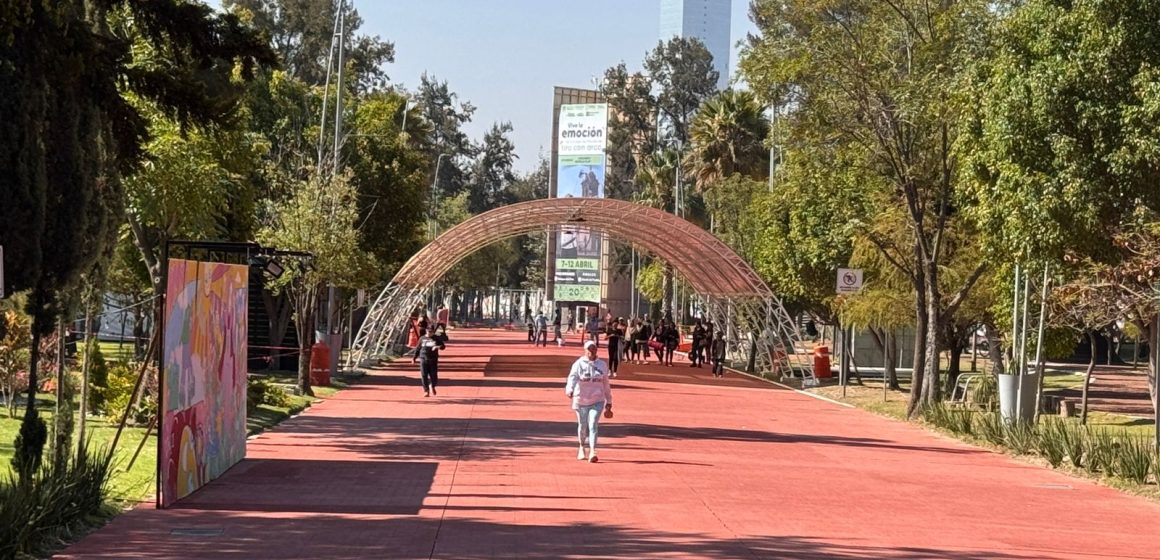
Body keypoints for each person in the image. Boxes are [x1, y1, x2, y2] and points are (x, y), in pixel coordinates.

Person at [565, 340, 613, 462]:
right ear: (585, 350)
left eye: (594, 349)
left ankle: (593, 451)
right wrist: (569, 389)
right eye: (589, 349)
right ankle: (581, 446)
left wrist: (609, 401)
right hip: (581, 399)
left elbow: (606, 384)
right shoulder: (578, 364)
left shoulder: (602, 365)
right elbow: (572, 378)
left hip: (597, 400)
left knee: (593, 424)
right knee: (583, 425)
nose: (592, 351)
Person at [412, 327, 446, 397]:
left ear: (433, 332)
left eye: (431, 332)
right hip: (423, 359)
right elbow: (418, 348)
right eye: (428, 332)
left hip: (433, 359)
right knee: (424, 375)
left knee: (434, 376)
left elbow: (443, 346)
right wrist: (414, 358)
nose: (429, 333)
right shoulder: (422, 338)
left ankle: (432, 385)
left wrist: (437, 347)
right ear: (426, 331)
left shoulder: (436, 338)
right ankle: (426, 391)